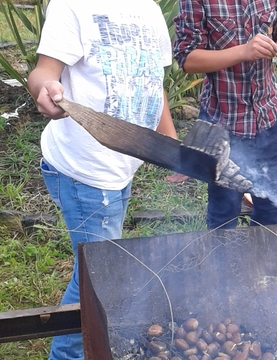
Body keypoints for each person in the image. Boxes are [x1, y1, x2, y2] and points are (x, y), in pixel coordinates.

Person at [27, 0, 186, 358]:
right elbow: (42, 71)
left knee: (95, 266)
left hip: (118, 166)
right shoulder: (73, 5)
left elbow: (153, 83)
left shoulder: (148, 9)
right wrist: (45, 88)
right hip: (85, 170)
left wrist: (169, 143)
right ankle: (67, 355)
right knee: (102, 276)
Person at [173, 0, 277, 229]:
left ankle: (261, 261)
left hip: (268, 118)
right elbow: (187, 59)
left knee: (272, 205)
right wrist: (243, 51)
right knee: (224, 212)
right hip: (223, 124)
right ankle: (225, 264)